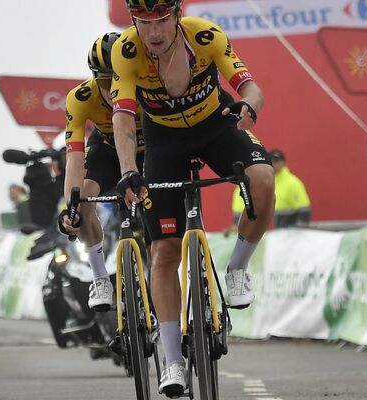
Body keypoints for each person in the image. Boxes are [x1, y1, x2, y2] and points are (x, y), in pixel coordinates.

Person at [109, 0, 275, 395]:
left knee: (264, 181)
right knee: (164, 253)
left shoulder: (206, 36)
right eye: (144, 22)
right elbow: (123, 116)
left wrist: (249, 105)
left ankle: (237, 268)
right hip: (164, 143)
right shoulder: (127, 52)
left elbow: (251, 86)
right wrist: (128, 168)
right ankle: (172, 361)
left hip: (216, 127)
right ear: (134, 21)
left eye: (162, 20)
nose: (154, 31)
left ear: (176, 16)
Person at [59, 32, 146, 312]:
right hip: (107, 148)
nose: (113, 88)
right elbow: (74, 159)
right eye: (105, 81)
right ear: (95, 79)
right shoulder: (80, 98)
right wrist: (70, 207)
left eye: (118, 78)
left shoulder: (148, 85)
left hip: (150, 147)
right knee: (83, 199)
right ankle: (99, 277)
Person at [231, 149, 310, 229]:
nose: (273, 163)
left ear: (284, 163)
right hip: (259, 232)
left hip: (287, 235)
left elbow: (304, 211)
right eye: (271, 160)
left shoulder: (293, 183)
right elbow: (239, 207)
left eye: (277, 161)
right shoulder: (254, 180)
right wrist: (236, 225)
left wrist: (299, 232)